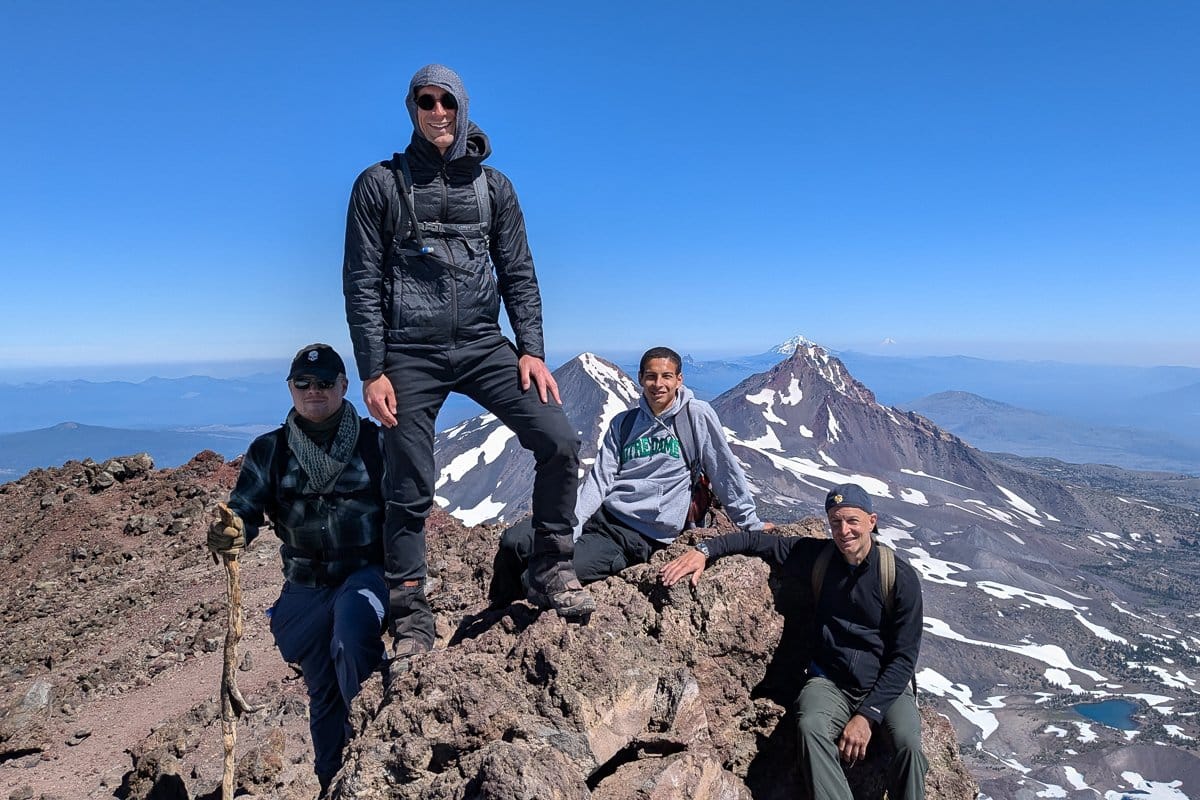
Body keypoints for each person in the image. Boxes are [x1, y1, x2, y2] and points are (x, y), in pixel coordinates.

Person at [342, 64, 592, 654]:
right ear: (412, 108)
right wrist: (372, 369)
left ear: (463, 106)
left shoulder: (495, 188)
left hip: (483, 343)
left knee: (558, 440)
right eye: (425, 101)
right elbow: (361, 282)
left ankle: (551, 566)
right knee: (409, 482)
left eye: (446, 101)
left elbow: (519, 272)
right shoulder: (379, 184)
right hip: (409, 351)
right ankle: (410, 616)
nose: (437, 111)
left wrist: (530, 348)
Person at [660, 483, 926, 800]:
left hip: (884, 685)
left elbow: (904, 659)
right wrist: (703, 551)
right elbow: (756, 541)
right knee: (811, 727)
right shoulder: (817, 557)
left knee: (908, 744)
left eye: (852, 521)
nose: (844, 531)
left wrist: (867, 716)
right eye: (836, 522)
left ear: (871, 521)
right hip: (831, 681)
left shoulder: (898, 576)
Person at [207, 343, 386, 796]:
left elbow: (405, 511)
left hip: (364, 574)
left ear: (345, 387)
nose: (314, 392)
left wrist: (408, 584)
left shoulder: (374, 442)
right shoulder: (270, 450)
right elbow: (245, 510)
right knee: (323, 692)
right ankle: (334, 782)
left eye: (325, 383)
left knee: (352, 635)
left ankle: (376, 753)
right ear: (290, 388)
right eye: (303, 384)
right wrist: (233, 533)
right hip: (305, 587)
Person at [489, 346, 768, 605]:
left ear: (679, 380)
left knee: (537, 578)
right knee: (513, 541)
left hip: (635, 539)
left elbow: (724, 471)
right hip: (602, 517)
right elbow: (599, 480)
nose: (658, 384)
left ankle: (514, 620)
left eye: (666, 376)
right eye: (651, 377)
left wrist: (751, 524)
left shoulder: (695, 416)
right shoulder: (624, 423)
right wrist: (570, 528)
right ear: (640, 379)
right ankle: (496, 611)